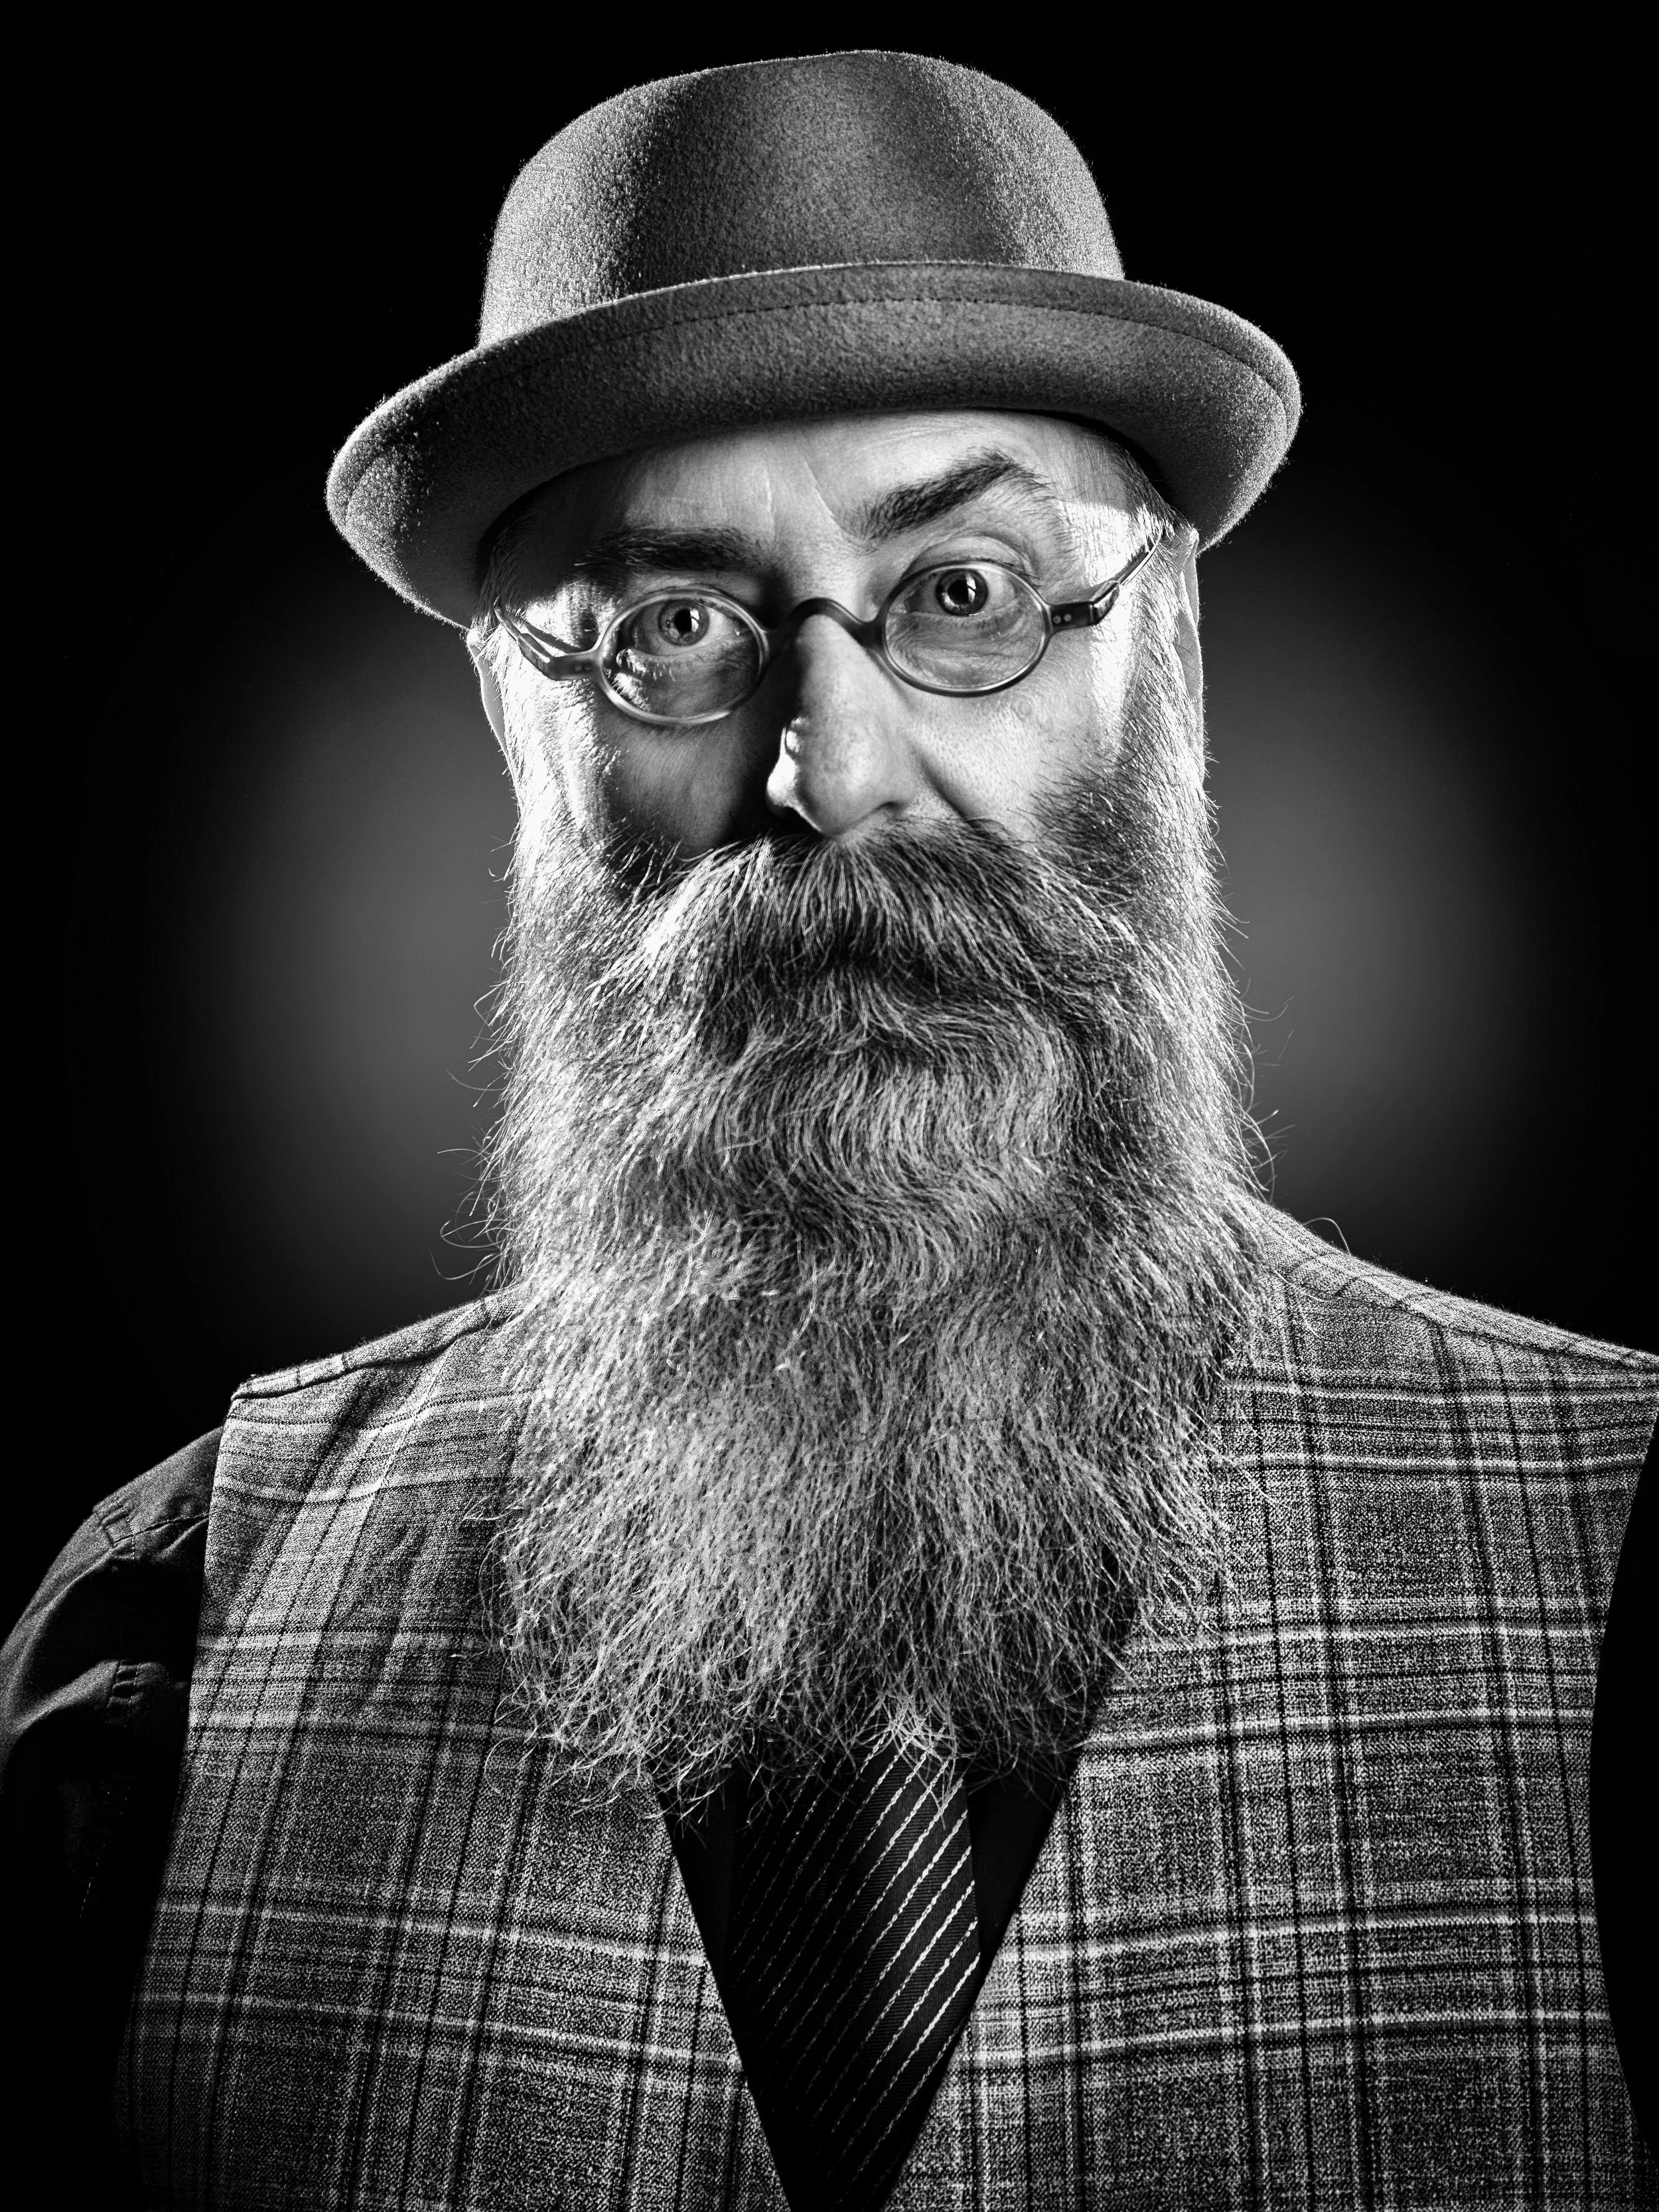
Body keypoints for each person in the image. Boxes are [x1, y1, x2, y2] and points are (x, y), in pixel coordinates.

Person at [3, 50, 1654, 2211]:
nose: (830, 767)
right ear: (519, 722)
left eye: (962, 592)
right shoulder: (180, 1624)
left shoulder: (1626, 1556)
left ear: (1162, 655)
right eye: (675, 629)